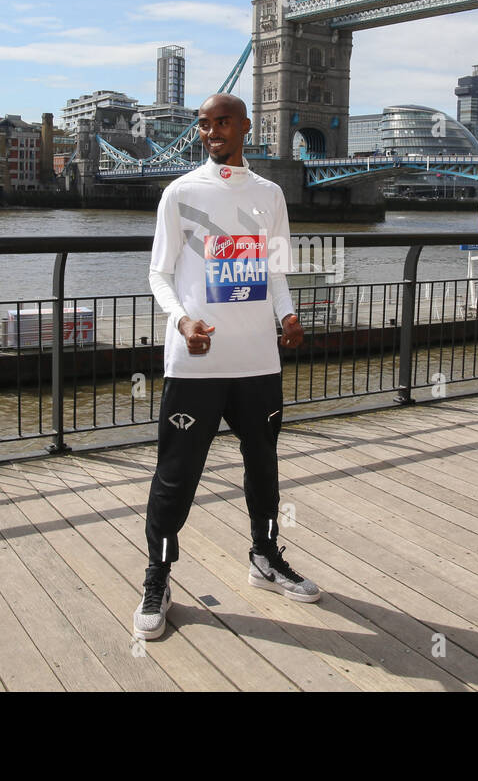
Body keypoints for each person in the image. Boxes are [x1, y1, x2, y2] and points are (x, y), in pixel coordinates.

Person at [133, 93, 320, 641]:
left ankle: (265, 557)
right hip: (195, 365)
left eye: (222, 122)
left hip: (257, 362)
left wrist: (287, 315)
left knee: (264, 467)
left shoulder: (270, 194)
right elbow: (158, 274)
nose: (211, 131)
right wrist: (182, 321)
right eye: (204, 124)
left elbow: (277, 270)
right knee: (176, 476)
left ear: (244, 127)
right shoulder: (180, 192)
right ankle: (158, 576)